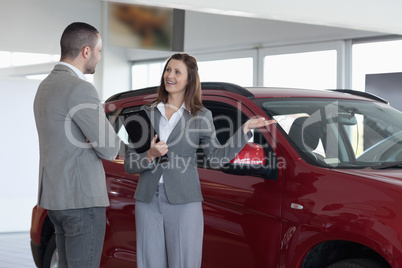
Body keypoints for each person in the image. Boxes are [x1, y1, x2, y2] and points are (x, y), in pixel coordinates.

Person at [124, 53, 274, 268]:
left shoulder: (201, 116)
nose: (170, 76)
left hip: (184, 202)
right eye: (168, 70)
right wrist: (150, 155)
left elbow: (215, 158)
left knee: (184, 263)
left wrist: (245, 130)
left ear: (189, 80)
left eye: (177, 72)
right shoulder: (145, 114)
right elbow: (130, 164)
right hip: (148, 200)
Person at [33, 22, 120, 267]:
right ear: (86, 51)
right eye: (99, 51)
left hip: (55, 199)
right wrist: (95, 136)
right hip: (82, 201)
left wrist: (88, 137)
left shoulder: (45, 87)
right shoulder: (80, 89)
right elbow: (110, 148)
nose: (100, 57)